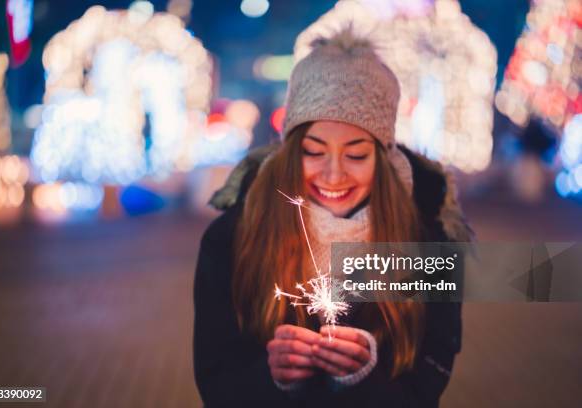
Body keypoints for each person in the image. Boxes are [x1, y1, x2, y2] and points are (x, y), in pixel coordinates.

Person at [193, 28, 471, 408]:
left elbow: (427, 385)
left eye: (356, 155)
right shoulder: (232, 238)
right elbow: (216, 379)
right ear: (291, 151)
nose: (334, 174)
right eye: (314, 151)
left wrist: (366, 376)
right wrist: (270, 378)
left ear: (383, 158)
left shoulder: (427, 244)